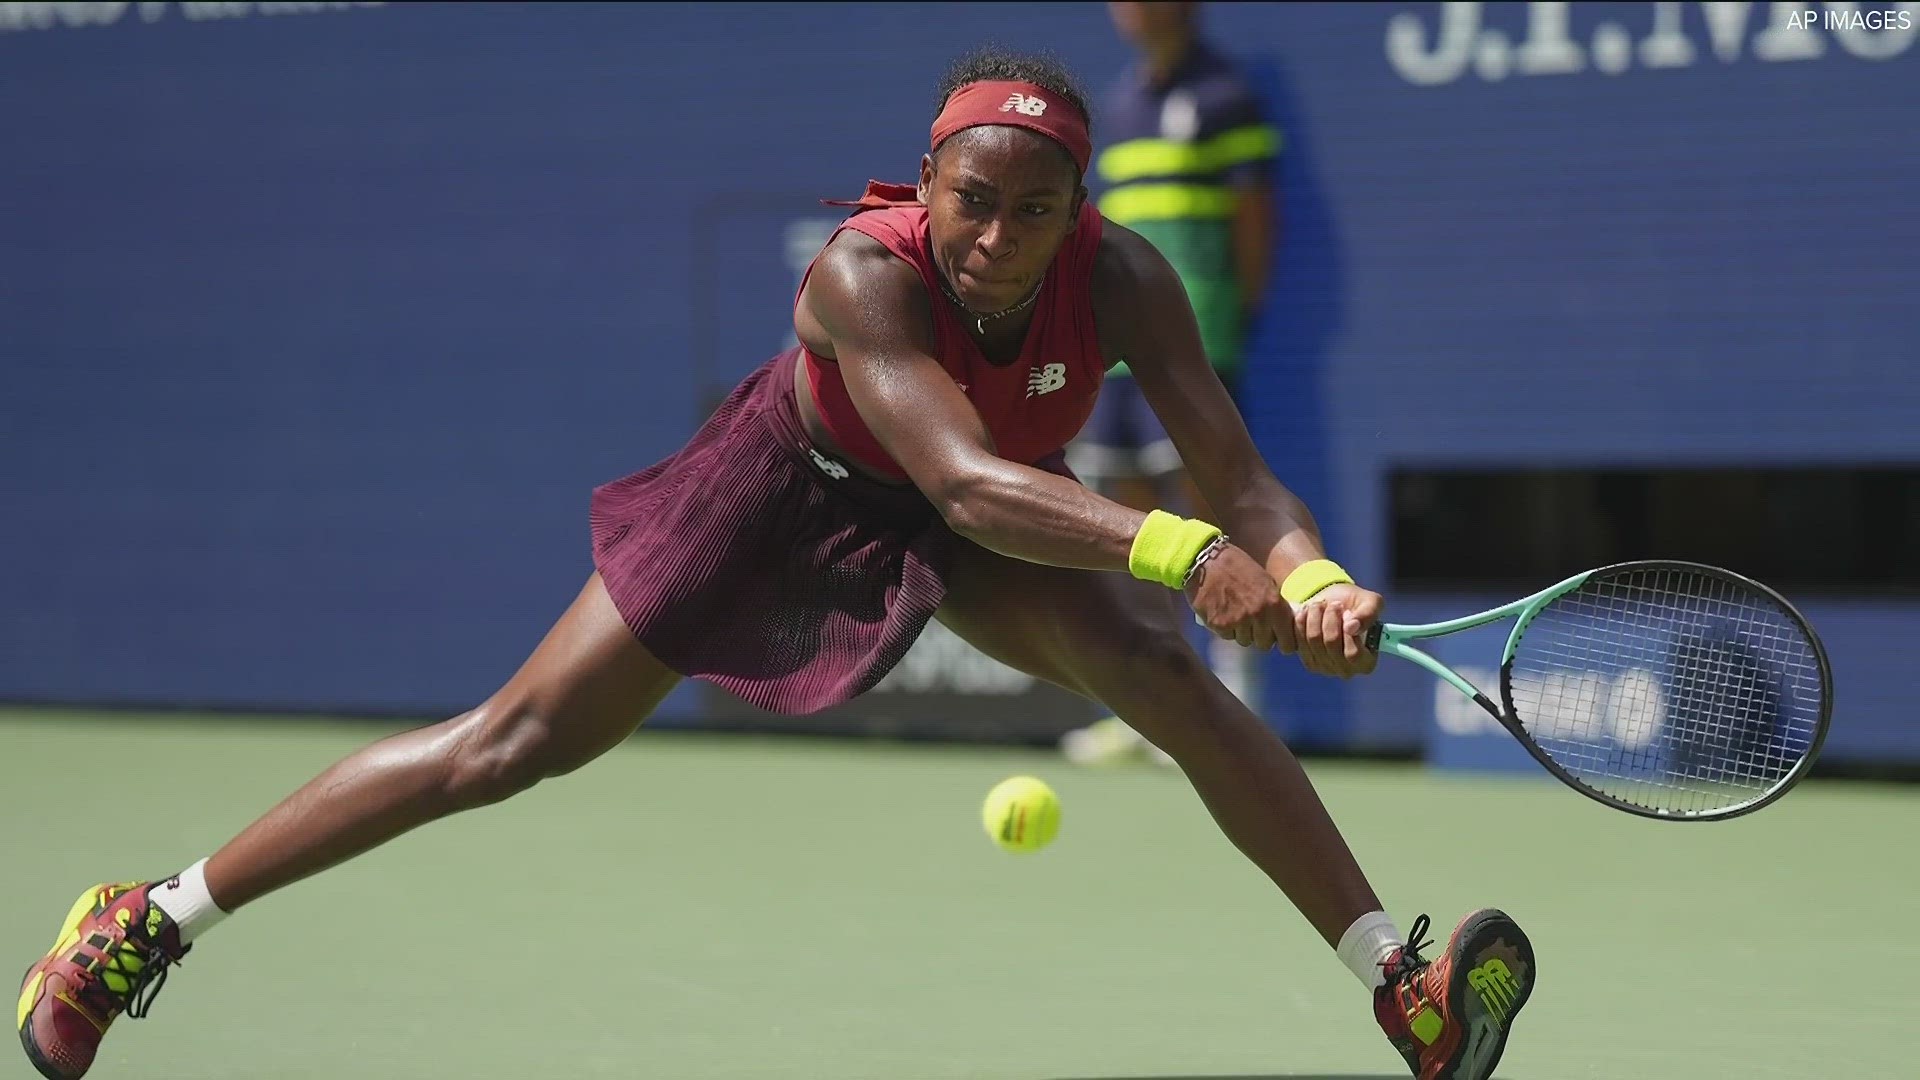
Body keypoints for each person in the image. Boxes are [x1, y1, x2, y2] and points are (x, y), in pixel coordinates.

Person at [15, 48, 1533, 1080]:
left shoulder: (1121, 277)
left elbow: (1242, 474)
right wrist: (1187, 548)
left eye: (1037, 208)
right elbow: (963, 476)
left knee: (1152, 672)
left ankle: (1398, 988)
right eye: (973, 201)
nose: (1000, 237)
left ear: (1083, 211)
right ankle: (146, 916)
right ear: (922, 185)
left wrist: (1311, 572)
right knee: (509, 746)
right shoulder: (863, 278)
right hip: (786, 490)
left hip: (986, 512)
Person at [1062, 1, 1281, 766]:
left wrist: (1225, 322)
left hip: (1195, 342)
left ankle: (1237, 704)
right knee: (1136, 527)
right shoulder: (1117, 106)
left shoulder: (1225, 95)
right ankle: (1150, 700)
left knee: (1209, 509)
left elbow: (1254, 222)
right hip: (1116, 349)